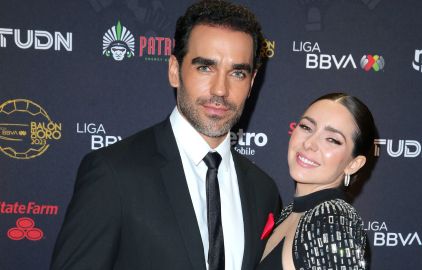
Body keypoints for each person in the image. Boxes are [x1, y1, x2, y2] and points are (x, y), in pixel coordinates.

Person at [50, 1, 281, 270]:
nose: (221, 89)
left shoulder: (262, 190)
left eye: (237, 72)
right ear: (175, 70)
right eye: (205, 67)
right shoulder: (114, 173)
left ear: (251, 83)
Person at [257, 93, 374, 270]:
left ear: (353, 164)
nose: (309, 143)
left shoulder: (332, 221)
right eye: (306, 127)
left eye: (332, 139)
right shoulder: (290, 213)